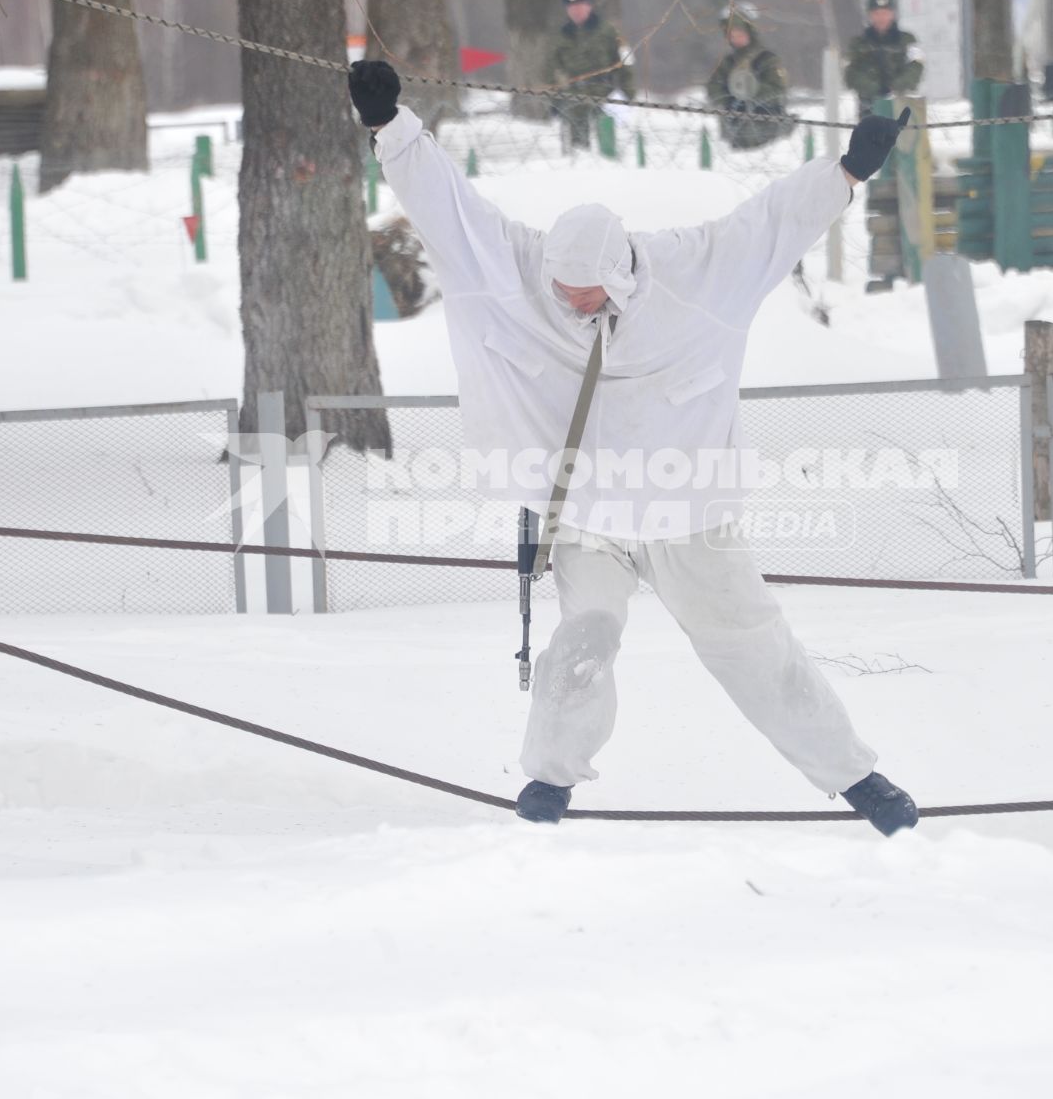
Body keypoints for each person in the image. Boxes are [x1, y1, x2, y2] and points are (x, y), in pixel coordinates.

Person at [347, 58, 920, 837]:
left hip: (690, 510)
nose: (571, 305)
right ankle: (548, 784)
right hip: (585, 514)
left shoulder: (697, 272)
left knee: (754, 647)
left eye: (586, 297)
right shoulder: (519, 270)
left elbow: (771, 221)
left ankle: (857, 777)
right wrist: (391, 125)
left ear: (620, 276)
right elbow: (450, 207)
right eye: (563, 293)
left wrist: (850, 168)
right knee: (583, 641)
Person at [549, 0, 635, 151]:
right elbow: (551, 69)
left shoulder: (609, 31)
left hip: (604, 95)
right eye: (571, 7)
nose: (576, 11)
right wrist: (555, 99)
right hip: (574, 97)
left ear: (589, 6)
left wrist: (628, 94)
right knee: (579, 150)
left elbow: (626, 62)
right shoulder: (561, 36)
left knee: (607, 145)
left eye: (580, 6)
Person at [705, 2, 792, 151]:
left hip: (768, 129)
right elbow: (714, 88)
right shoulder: (727, 63)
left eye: (740, 34)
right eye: (732, 35)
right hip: (735, 131)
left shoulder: (767, 59)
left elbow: (778, 90)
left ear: (750, 33)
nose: (736, 38)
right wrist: (731, 98)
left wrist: (752, 93)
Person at [843, 0, 924, 119]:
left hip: (903, 104)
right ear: (870, 15)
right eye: (877, 13)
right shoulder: (858, 44)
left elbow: (916, 66)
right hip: (869, 106)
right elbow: (850, 73)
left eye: (885, 13)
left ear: (892, 14)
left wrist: (898, 85)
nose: (881, 18)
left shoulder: (907, 40)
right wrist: (872, 88)